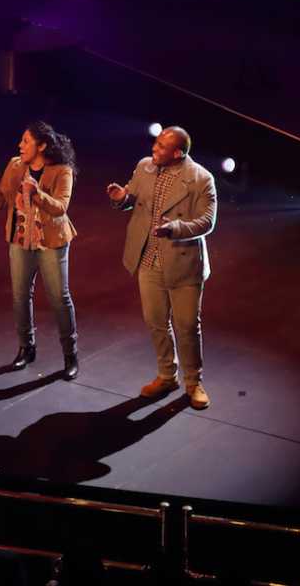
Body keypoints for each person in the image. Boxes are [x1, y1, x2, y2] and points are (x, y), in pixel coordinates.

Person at [106, 125, 217, 410]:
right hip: (148, 259)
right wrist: (122, 199)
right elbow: (134, 201)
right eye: (155, 144)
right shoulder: (145, 167)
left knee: (187, 326)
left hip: (182, 261)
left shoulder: (201, 179)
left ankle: (193, 382)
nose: (154, 149)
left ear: (177, 153)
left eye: (161, 147)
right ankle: (167, 375)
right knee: (156, 322)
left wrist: (175, 229)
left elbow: (207, 222)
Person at [0, 121, 80, 379]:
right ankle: (26, 348)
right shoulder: (15, 165)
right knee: (20, 296)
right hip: (20, 239)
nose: (20, 145)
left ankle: (70, 354)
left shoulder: (62, 170)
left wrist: (37, 193)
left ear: (42, 146)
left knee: (59, 299)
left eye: (26, 141)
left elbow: (61, 207)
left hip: (50, 241)